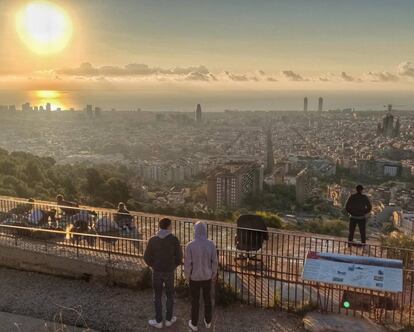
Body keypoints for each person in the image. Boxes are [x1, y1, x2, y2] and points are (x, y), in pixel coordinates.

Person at [144, 218, 182, 329]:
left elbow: (146, 257)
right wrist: (173, 266)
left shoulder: (153, 240)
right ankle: (169, 319)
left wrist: (152, 265)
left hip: (157, 271)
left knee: (157, 296)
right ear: (169, 226)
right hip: (169, 271)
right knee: (170, 296)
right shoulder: (174, 239)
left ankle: (158, 321)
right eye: (171, 225)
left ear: (160, 226)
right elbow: (179, 257)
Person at [184, 221, 218, 331]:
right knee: (208, 300)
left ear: (195, 230)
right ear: (205, 230)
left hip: (194, 277)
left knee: (195, 301)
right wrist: (214, 273)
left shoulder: (190, 245)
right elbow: (215, 261)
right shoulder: (211, 244)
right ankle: (208, 321)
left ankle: (194, 324)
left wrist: (187, 276)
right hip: (207, 277)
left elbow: (187, 263)